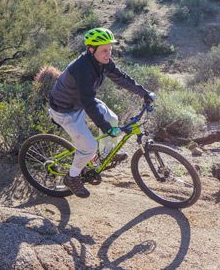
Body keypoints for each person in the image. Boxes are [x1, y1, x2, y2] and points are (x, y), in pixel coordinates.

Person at [49, 27, 155, 198]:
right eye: (104, 50)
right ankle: (72, 177)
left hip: (80, 101)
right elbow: (89, 103)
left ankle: (106, 153)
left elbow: (121, 78)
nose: (108, 54)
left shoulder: (102, 62)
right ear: (91, 50)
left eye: (110, 49)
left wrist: (144, 93)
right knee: (89, 148)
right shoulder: (82, 68)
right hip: (65, 109)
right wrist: (105, 128)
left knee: (112, 118)